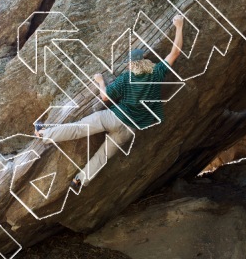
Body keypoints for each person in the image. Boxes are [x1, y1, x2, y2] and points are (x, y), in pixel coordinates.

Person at [35, 14, 184, 190]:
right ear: (144, 62)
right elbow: (175, 52)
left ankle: (44, 134)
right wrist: (179, 26)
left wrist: (100, 81)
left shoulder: (126, 78)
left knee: (79, 128)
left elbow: (105, 97)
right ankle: (80, 180)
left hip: (113, 117)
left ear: (131, 64)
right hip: (129, 130)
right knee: (103, 155)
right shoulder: (156, 73)